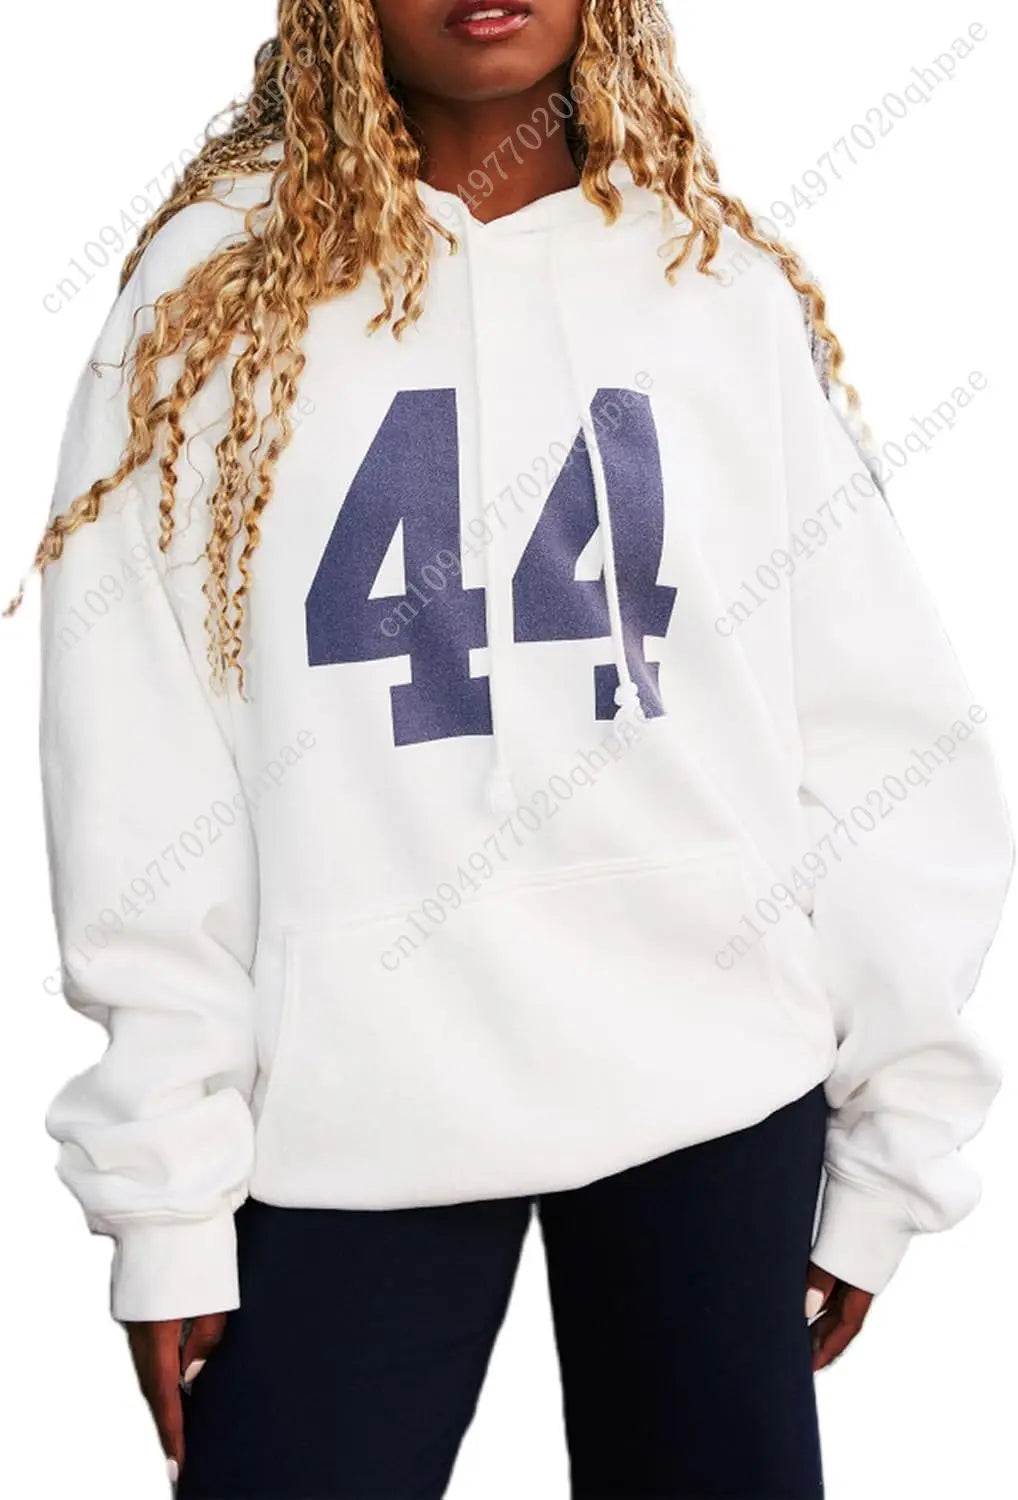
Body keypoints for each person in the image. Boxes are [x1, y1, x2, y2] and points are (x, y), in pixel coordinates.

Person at [17, 2, 1011, 1496]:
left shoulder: (709, 281)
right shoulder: (211, 290)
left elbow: (875, 729)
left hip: (715, 1080)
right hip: (348, 1102)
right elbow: (140, 762)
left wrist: (896, 1144)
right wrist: (162, 1195)